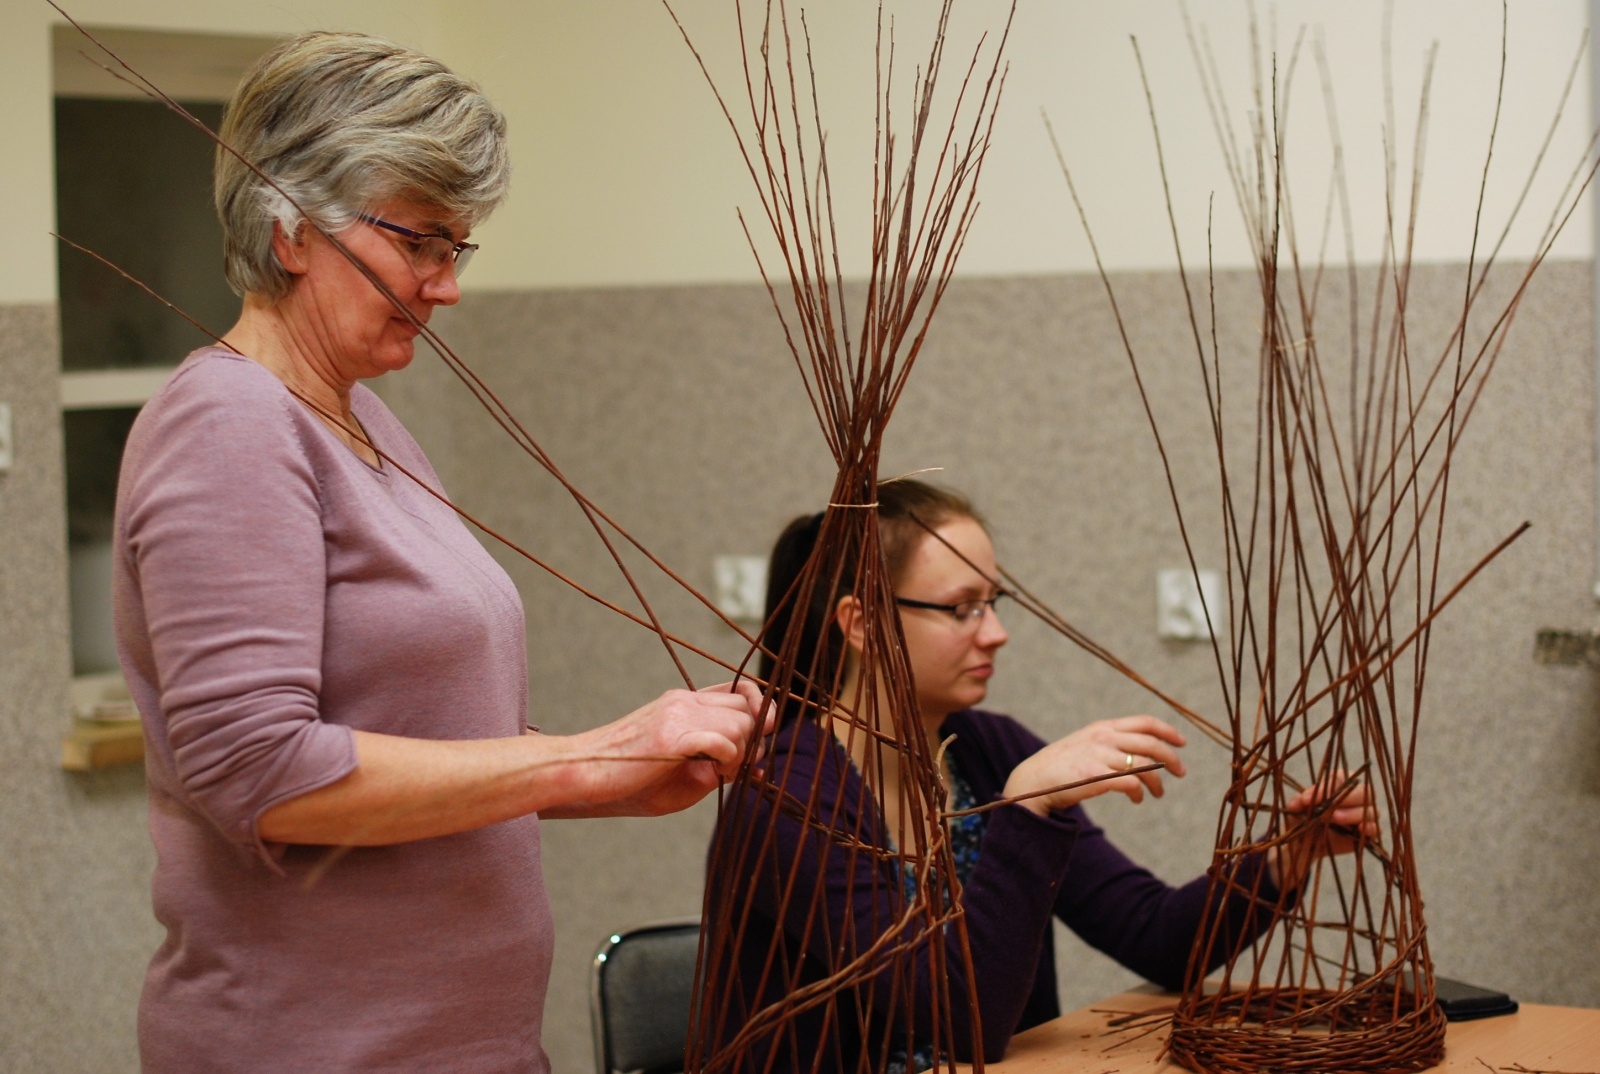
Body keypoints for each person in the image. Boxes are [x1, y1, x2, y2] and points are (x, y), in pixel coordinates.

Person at [112, 32, 767, 1073]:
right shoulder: (228, 426)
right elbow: (262, 776)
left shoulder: (364, 422)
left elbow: (419, 734)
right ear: (293, 228)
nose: (443, 284)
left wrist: (600, 782)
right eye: (418, 242)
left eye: (454, 248)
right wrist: (586, 754)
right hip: (309, 1047)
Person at [707, 479, 1375, 1070]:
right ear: (861, 623)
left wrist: (1287, 856)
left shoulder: (987, 750)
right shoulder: (785, 798)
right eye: (963, 606)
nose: (995, 632)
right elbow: (959, 1023)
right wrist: (1026, 808)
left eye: (994, 602)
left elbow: (1157, 935)